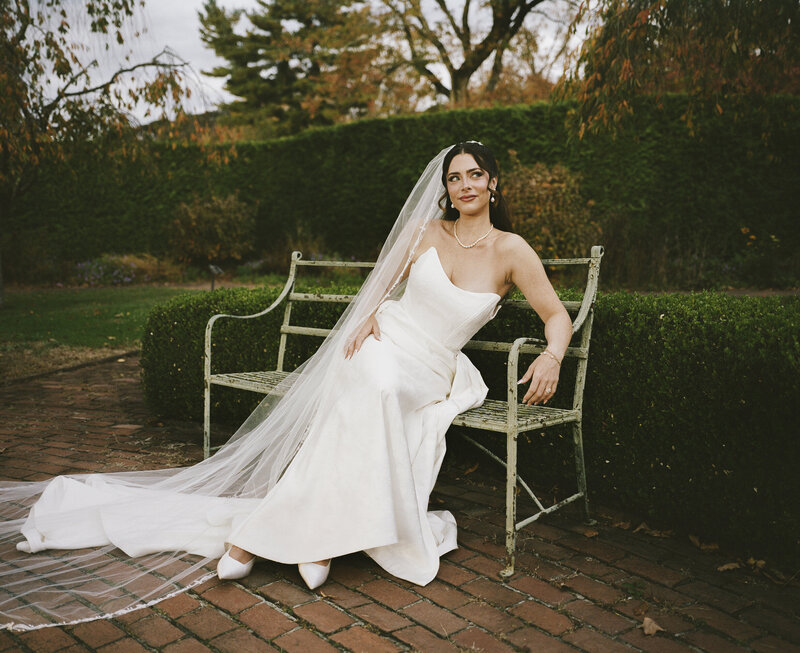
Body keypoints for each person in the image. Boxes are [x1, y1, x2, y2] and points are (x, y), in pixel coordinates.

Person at [0, 142, 571, 631]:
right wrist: (365, 318)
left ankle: (258, 536)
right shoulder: (426, 231)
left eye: (475, 174)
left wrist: (552, 355)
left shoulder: (511, 250)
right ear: (444, 188)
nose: (464, 184)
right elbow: (381, 283)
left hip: (432, 365)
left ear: (493, 183)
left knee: (376, 392)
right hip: (384, 340)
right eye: (454, 177)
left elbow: (557, 316)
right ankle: (314, 542)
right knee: (369, 379)